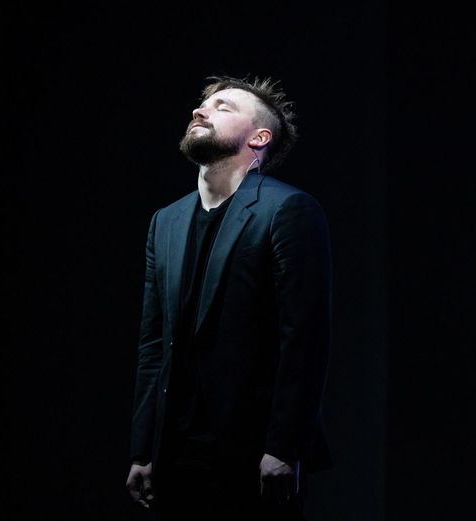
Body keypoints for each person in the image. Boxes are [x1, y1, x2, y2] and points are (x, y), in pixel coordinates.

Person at [125, 75, 332, 520]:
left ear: (259, 138)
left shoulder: (288, 210)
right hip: (174, 453)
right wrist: (142, 448)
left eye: (224, 107)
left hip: (251, 455)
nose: (200, 111)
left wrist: (284, 447)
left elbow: (304, 341)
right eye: (203, 105)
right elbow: (153, 345)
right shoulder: (166, 221)